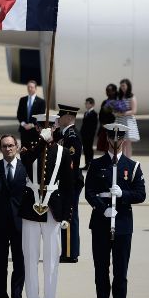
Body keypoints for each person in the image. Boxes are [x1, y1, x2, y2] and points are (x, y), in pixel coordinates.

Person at [85, 123, 146, 298]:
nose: (116, 142)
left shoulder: (132, 166)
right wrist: (103, 209)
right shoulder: (96, 164)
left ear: (124, 140)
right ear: (108, 140)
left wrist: (124, 194)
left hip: (122, 225)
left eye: (119, 138)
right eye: (113, 138)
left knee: (120, 271)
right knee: (101, 270)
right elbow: (89, 192)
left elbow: (141, 194)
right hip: (101, 223)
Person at [19, 114, 74, 298]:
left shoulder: (63, 152)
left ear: (55, 126)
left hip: (53, 208)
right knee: (30, 258)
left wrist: (67, 213)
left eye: (50, 125)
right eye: (42, 125)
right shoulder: (30, 148)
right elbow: (25, 161)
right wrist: (41, 141)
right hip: (31, 208)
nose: (47, 128)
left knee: (51, 259)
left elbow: (70, 186)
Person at [0, 134, 26, 298]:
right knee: (0, 263)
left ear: (17, 147)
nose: (8, 149)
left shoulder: (25, 167)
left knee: (20, 262)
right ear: (0, 149)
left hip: (20, 224)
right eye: (4, 146)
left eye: (11, 145)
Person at [55, 105, 85, 264]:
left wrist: (65, 183)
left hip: (70, 182)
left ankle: (69, 253)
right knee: (68, 216)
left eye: (60, 116)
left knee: (69, 216)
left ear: (67, 117)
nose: (58, 119)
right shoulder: (65, 134)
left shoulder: (71, 136)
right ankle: (70, 251)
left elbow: (71, 163)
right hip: (68, 181)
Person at [16, 80, 46, 149]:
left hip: (34, 130)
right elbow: (19, 114)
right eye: (28, 87)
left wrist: (32, 125)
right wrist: (24, 124)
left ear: (35, 88)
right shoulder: (23, 100)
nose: (29, 89)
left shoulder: (41, 102)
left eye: (31, 87)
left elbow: (41, 115)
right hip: (24, 130)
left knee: (33, 150)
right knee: (24, 150)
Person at [115, 79, 139, 157]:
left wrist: (123, 113)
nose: (122, 87)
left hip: (128, 121)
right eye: (121, 86)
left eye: (124, 85)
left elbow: (134, 110)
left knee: (128, 142)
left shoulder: (131, 96)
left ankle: (128, 160)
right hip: (120, 120)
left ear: (128, 86)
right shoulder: (119, 96)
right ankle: (122, 160)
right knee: (121, 142)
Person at [96, 84, 118, 153]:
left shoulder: (118, 102)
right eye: (107, 91)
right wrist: (102, 123)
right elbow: (100, 114)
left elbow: (117, 116)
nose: (108, 92)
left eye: (109, 91)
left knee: (112, 148)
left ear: (114, 91)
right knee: (104, 149)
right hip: (104, 127)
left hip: (113, 128)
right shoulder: (104, 102)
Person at [80, 97, 98, 169]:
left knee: (89, 149)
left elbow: (93, 126)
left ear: (92, 104)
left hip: (90, 135)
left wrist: (91, 134)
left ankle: (90, 164)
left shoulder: (94, 114)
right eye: (85, 103)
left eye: (87, 103)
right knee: (85, 149)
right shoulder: (86, 113)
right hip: (84, 134)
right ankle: (87, 164)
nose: (86, 105)